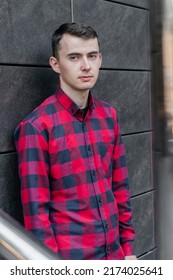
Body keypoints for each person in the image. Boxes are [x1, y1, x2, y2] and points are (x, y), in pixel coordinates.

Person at [14, 22, 137, 260]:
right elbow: (36, 214)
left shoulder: (109, 116)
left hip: (116, 256)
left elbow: (120, 188)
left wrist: (128, 249)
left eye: (92, 56)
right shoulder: (36, 127)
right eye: (74, 57)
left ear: (100, 59)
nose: (86, 66)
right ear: (55, 64)